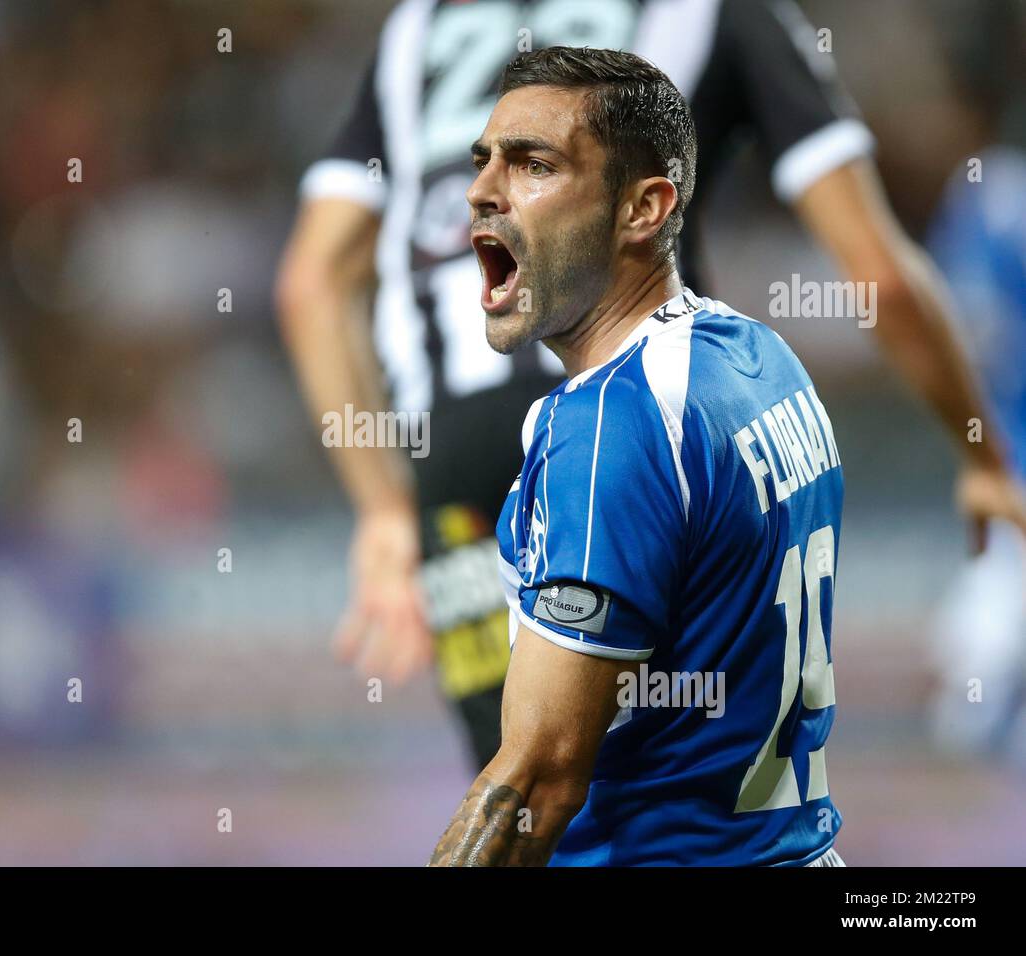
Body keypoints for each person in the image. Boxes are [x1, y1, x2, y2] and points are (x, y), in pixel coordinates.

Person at [276, 0, 1026, 772]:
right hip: (644, 430)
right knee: (686, 801)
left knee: (528, 798)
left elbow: (311, 283)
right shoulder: (718, 12)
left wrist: (385, 510)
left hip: (458, 452)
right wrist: (983, 455)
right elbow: (881, 279)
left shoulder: (417, 30)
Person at [430, 46, 843, 866]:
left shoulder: (610, 427)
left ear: (644, 208)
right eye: (483, 162)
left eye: (533, 165)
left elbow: (540, 778)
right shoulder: (761, 360)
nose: (481, 190)